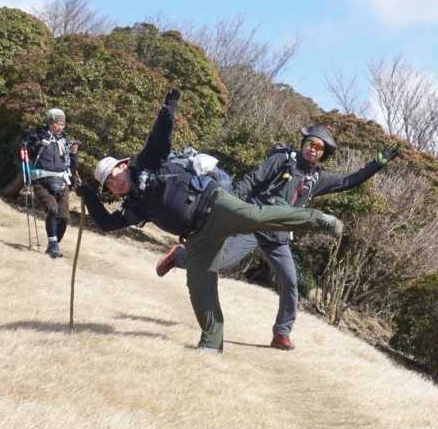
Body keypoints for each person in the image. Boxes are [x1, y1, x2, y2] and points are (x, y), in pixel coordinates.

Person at [77, 88, 344, 352]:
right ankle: (212, 342)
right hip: (197, 237)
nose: (114, 183)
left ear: (123, 165)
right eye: (108, 184)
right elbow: (107, 223)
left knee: (255, 216)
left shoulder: (146, 164)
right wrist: (89, 196)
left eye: (114, 175)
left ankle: (318, 219)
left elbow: (160, 138)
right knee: (199, 284)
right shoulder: (133, 206)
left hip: (215, 205)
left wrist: (168, 110)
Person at [156, 125, 399, 351]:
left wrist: (378, 163)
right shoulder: (283, 160)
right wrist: (232, 205)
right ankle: (181, 257)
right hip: (253, 223)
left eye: (319, 147)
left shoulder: (317, 178)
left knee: (290, 282)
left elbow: (349, 180)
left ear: (323, 154)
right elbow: (252, 179)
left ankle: (281, 334)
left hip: (278, 235)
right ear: (303, 143)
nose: (313, 149)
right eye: (311, 143)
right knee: (220, 262)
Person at [20, 107, 79, 258]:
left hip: (62, 182)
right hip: (41, 181)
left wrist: (73, 154)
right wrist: (26, 141)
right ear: (50, 122)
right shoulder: (39, 136)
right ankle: (53, 246)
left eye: (62, 124)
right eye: (57, 123)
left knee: (64, 217)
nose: (60, 127)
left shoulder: (64, 142)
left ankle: (54, 246)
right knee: (52, 209)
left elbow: (71, 166)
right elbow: (27, 146)